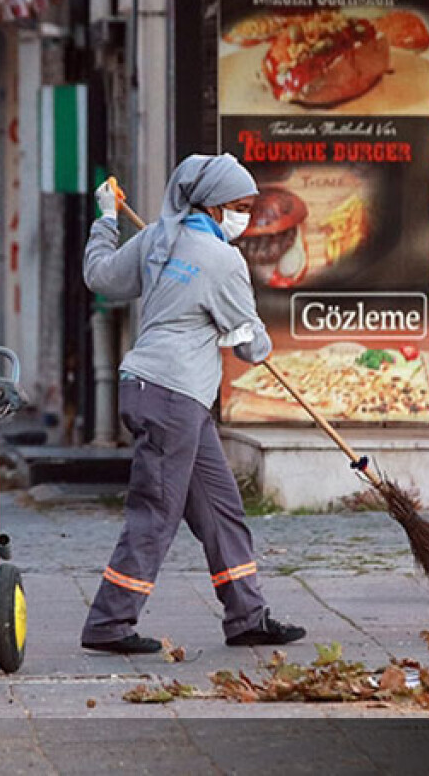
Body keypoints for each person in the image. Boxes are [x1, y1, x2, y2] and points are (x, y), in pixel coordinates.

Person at [79, 154, 307, 654]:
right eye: (240, 206)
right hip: (172, 396)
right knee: (155, 513)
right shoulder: (222, 259)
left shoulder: (158, 237)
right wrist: (261, 345)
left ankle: (247, 615)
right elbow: (247, 341)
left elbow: (100, 277)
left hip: (162, 392)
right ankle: (109, 624)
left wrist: (105, 218)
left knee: (221, 509)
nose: (245, 217)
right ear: (213, 203)